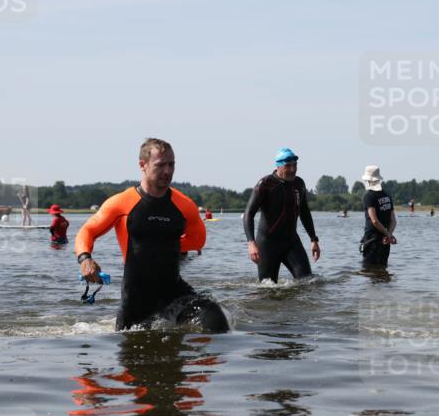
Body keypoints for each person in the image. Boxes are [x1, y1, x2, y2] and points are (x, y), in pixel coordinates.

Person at [76, 138, 228, 332]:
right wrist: (85, 259)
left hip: (175, 292)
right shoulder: (121, 203)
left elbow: (199, 240)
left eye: (171, 164)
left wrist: (161, 247)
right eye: (160, 165)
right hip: (136, 300)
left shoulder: (184, 205)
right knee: (133, 352)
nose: (167, 171)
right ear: (143, 165)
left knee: (215, 318)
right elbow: (87, 231)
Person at [243, 147, 320, 282]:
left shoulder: (299, 183)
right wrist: (251, 243)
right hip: (268, 244)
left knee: (308, 283)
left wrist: (314, 239)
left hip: (291, 242)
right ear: (278, 166)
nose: (292, 169)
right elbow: (248, 214)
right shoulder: (265, 185)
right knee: (268, 288)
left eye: (295, 165)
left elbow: (305, 212)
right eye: (288, 166)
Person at [359, 165, 397, 269]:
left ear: (368, 180)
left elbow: (374, 221)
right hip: (385, 241)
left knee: (368, 271)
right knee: (382, 270)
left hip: (372, 240)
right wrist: (389, 235)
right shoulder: (387, 195)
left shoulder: (368, 196)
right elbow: (393, 221)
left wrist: (388, 235)